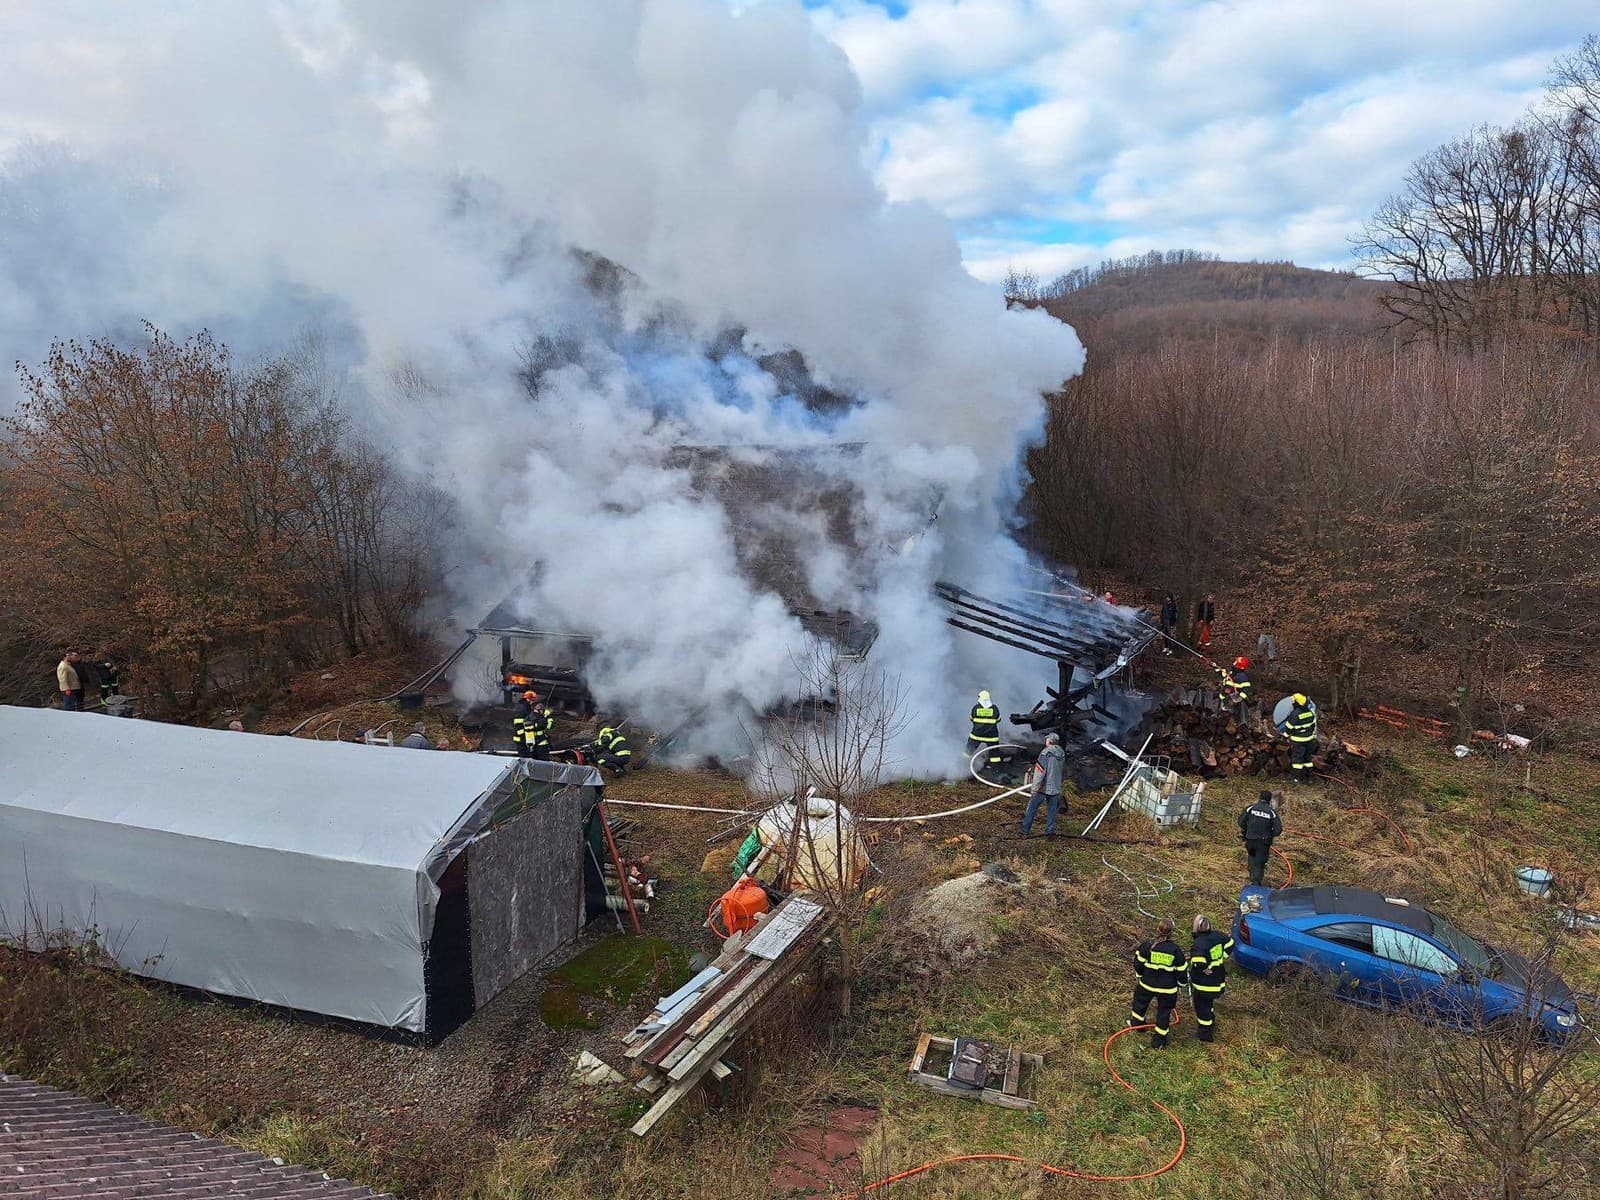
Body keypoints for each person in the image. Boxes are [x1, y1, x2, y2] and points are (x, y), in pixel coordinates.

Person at [1130, 917, 1186, 1049]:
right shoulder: (1175, 950)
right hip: (1167, 990)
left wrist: (1140, 975)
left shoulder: (1147, 946)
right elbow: (1182, 971)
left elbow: (1138, 963)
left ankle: (1137, 1025)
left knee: (1140, 1004)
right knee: (1164, 1013)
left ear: (1157, 930)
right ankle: (1159, 1041)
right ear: (1171, 932)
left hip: (1147, 985)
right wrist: (1181, 984)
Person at [1187, 915, 1234, 1044]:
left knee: (1202, 1008)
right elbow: (1230, 944)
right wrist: (1220, 959)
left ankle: (1205, 1035)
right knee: (1208, 1004)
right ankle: (1211, 1020)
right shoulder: (1218, 936)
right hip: (1218, 980)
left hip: (1204, 984)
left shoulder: (1199, 944)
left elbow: (1198, 962)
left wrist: (1205, 969)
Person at [1021, 732, 1066, 837]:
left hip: (1043, 787)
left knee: (1032, 808)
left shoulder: (1045, 753)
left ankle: (1025, 830)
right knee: (1052, 810)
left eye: (1046, 740)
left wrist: (1035, 788)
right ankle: (1049, 831)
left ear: (1049, 741)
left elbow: (1040, 772)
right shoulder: (1061, 752)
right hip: (1055, 786)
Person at [1238, 791, 1282, 885]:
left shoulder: (1251, 808)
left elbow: (1241, 822)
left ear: (1259, 798)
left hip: (1251, 840)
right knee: (1260, 861)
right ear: (1269, 800)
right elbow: (1278, 830)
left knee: (1252, 857)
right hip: (1263, 843)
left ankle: (1252, 877)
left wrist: (1248, 830)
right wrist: (1269, 834)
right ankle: (1256, 882)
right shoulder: (1271, 812)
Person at [1278, 693, 1319, 781]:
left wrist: (1284, 737)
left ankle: (1297, 778)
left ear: (1297, 703)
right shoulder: (1309, 712)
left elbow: (1289, 728)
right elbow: (1312, 726)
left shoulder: (1295, 714)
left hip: (1298, 741)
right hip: (1309, 739)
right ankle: (1310, 777)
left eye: (1293, 702)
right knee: (1307, 758)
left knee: (1297, 759)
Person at [966, 689, 1001, 764]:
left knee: (968, 752)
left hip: (977, 735)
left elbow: (972, 719)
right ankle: (996, 769)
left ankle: (962, 764)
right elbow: (998, 720)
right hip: (991, 736)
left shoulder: (976, 708)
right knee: (995, 755)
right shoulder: (994, 708)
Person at [1220, 656, 1254, 722]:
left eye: (1235, 662)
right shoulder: (1232, 672)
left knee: (1228, 716)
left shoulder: (1242, 677)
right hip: (1225, 697)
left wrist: (1239, 697)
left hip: (1231, 700)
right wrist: (1220, 670)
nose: (1233, 662)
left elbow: (1247, 689)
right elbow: (1225, 677)